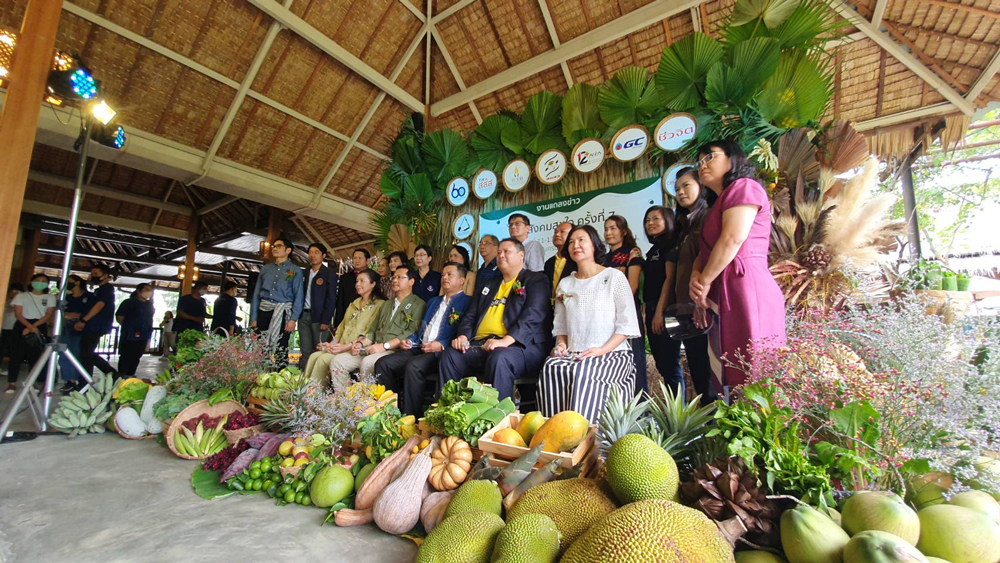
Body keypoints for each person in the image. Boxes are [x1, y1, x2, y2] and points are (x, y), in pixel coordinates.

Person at [690, 140, 786, 391]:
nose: (703, 165)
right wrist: (697, 277)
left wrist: (705, 281)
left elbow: (733, 238)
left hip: (745, 285)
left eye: (709, 156)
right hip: (722, 286)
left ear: (734, 159)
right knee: (731, 370)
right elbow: (705, 251)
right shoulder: (715, 206)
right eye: (699, 162)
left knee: (751, 370)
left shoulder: (744, 187)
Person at [539, 225, 641, 423]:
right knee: (551, 367)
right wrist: (561, 345)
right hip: (575, 353)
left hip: (613, 354)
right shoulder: (565, 284)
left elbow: (627, 325)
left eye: (581, 240)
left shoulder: (613, 277)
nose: (575, 245)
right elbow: (561, 326)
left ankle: (585, 440)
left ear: (594, 245)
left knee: (584, 372)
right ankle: (553, 435)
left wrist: (601, 350)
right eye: (571, 242)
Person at [439, 238, 550, 401]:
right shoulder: (489, 284)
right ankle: (447, 412)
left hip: (521, 347)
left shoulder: (536, 280)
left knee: (499, 358)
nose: (501, 255)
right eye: (499, 252)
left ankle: (498, 421)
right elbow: (471, 315)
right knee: (450, 356)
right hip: (483, 344)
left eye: (507, 252)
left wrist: (506, 340)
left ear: (521, 256)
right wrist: (463, 335)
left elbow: (533, 315)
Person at [374, 262, 471, 415]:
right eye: (443, 274)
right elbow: (420, 329)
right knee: (383, 364)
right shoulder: (434, 301)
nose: (444, 277)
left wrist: (442, 345)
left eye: (450, 274)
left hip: (440, 353)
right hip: (419, 347)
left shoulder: (467, 302)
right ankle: (389, 413)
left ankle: (410, 417)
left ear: (462, 280)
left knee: (414, 366)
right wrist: (409, 340)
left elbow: (465, 331)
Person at [327, 265, 426, 386]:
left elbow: (410, 332)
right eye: (394, 277)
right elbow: (372, 330)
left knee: (367, 363)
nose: (395, 280)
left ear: (411, 281)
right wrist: (360, 344)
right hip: (374, 347)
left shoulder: (418, 304)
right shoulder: (386, 304)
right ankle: (345, 400)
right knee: (338, 361)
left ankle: (369, 402)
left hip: (394, 350)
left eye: (400, 277)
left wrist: (384, 346)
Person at [670, 167, 715, 403]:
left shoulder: (708, 218)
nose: (680, 191)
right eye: (677, 188)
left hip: (704, 308)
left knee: (710, 376)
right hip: (686, 309)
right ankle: (707, 431)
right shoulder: (685, 225)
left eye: (686, 185)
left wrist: (702, 303)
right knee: (699, 373)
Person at [303, 269, 385, 387]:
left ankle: (316, 397)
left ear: (373, 284)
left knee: (323, 360)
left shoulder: (380, 305)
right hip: (341, 346)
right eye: (357, 281)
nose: (357, 284)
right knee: (314, 356)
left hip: (358, 349)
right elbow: (341, 328)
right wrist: (332, 344)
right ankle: (306, 392)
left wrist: (343, 347)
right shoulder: (354, 303)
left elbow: (370, 333)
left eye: (362, 281)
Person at [603, 215, 647, 394]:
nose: (608, 232)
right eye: (606, 229)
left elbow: (632, 286)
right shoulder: (603, 258)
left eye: (613, 228)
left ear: (624, 231)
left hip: (628, 313)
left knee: (635, 358)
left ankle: (641, 404)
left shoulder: (632, 252)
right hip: (606, 316)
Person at [642, 205, 683, 393]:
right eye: (647, 220)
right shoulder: (653, 249)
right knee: (662, 365)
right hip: (652, 310)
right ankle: (671, 413)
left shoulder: (670, 245)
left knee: (670, 365)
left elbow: (669, 280)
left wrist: (660, 312)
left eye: (655, 219)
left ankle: (678, 416)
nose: (650, 223)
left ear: (668, 219)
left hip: (666, 311)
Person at [250, 237, 304, 365]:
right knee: (260, 345)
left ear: (288, 250)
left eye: (279, 246)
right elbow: (256, 294)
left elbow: (298, 295)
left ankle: (280, 377)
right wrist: (254, 317)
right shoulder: (265, 269)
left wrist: (293, 319)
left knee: (282, 347)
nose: (274, 248)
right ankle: (259, 375)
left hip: (283, 312)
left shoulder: (295, 270)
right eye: (274, 246)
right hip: (264, 310)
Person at [5, 274, 56, 393]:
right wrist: (28, 326)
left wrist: (33, 327)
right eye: (38, 280)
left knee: (36, 356)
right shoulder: (21, 296)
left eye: (44, 281)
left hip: (39, 324)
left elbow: (48, 315)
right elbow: (18, 314)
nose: (40, 283)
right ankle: (11, 383)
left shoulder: (50, 297)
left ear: (47, 284)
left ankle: (32, 383)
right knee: (16, 355)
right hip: (22, 324)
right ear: (32, 282)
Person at [298, 243, 338, 370]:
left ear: (323, 255)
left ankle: (317, 383)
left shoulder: (328, 274)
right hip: (303, 315)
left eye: (316, 252)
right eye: (310, 252)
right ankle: (303, 381)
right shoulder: (303, 273)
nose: (312, 255)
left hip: (320, 318)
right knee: (305, 351)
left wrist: (326, 320)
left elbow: (331, 299)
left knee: (319, 350)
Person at [75, 265, 118, 383]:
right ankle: (85, 380)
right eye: (92, 274)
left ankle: (112, 373)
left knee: (87, 354)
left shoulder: (107, 289)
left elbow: (99, 305)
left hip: (95, 325)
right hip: (92, 325)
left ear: (105, 276)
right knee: (86, 354)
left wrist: (84, 320)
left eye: (96, 274)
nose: (93, 276)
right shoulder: (98, 290)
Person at [115, 283, 154, 377]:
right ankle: (122, 375)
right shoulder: (128, 302)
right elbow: (119, 317)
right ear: (139, 291)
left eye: (150, 290)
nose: (149, 292)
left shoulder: (149, 304)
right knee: (126, 356)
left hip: (144, 334)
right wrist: (129, 327)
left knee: (137, 356)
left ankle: (131, 374)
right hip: (130, 334)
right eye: (147, 289)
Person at [335, 248, 371, 327]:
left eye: (360, 258)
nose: (357, 260)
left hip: (367, 317)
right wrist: (338, 323)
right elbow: (340, 301)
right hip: (348, 317)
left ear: (367, 261)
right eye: (355, 258)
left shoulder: (374, 277)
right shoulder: (345, 277)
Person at [544, 221, 577, 298]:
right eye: (555, 232)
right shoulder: (549, 263)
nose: (557, 234)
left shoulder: (576, 260)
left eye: (562, 232)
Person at [0, 283, 24, 381]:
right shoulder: (5, 301)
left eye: (16, 292)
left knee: (13, 351)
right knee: (1, 349)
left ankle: (11, 370)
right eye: (12, 292)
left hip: (14, 329)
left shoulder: (21, 302)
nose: (13, 294)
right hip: (3, 328)